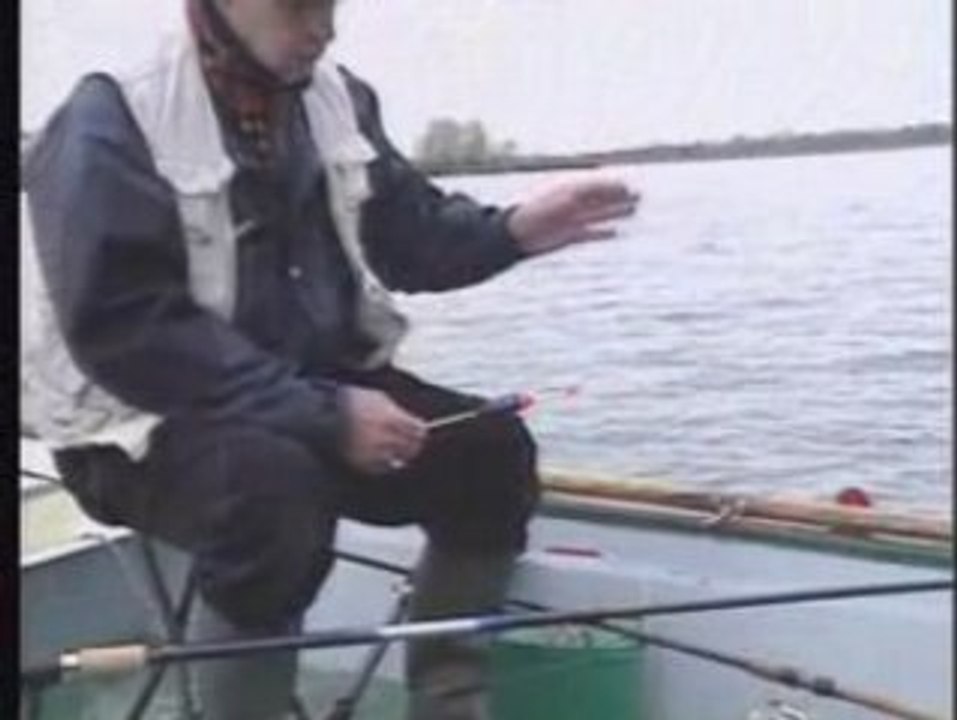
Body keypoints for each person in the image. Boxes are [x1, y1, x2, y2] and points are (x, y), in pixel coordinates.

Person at [21, 0, 639, 718]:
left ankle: (448, 701)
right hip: (134, 426)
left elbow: (410, 236)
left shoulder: (338, 100)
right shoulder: (110, 117)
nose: (322, 27)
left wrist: (516, 231)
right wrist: (325, 415)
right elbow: (125, 328)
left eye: (329, 5)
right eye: (297, 7)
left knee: (489, 450)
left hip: (307, 393)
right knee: (272, 497)